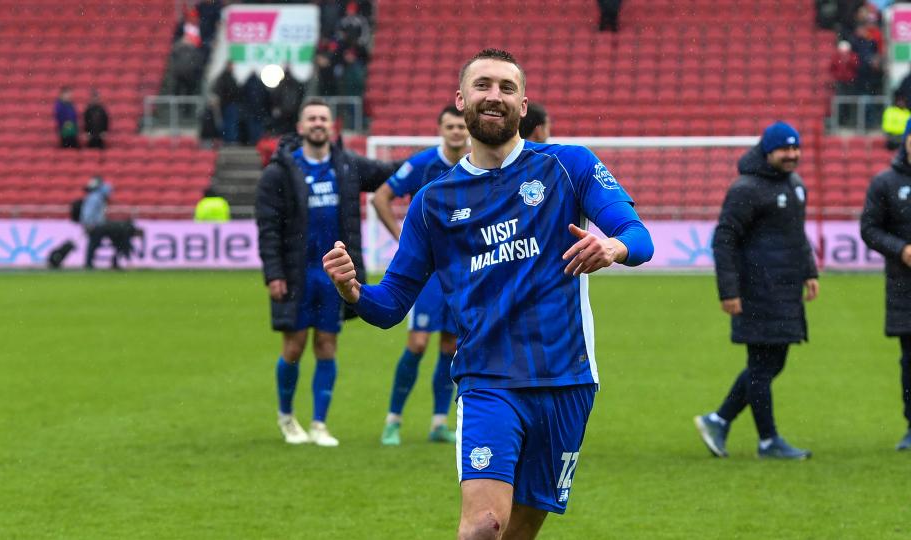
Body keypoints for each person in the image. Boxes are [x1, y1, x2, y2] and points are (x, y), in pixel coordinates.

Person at [323, 48, 653, 538]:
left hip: (567, 380)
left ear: (523, 105)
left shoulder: (569, 166)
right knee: (483, 526)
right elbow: (391, 304)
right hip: (487, 382)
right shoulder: (434, 201)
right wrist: (352, 291)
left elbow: (638, 237)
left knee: (517, 533)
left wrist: (614, 247)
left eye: (506, 87)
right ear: (461, 100)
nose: (493, 96)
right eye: (482, 86)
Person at [255, 98, 399, 447]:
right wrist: (273, 272)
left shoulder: (345, 166)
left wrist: (432, 162)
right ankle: (287, 417)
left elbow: (389, 172)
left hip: (332, 276)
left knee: (327, 344)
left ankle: (319, 423)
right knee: (294, 345)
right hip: (295, 272)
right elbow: (268, 227)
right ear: (301, 127)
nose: (318, 124)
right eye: (312, 119)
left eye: (323, 118)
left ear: (331, 126)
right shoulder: (280, 171)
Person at [694, 121, 819, 461]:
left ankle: (718, 419)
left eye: (796, 149)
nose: (792, 155)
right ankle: (767, 441)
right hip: (757, 290)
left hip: (786, 291)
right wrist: (728, 291)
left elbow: (796, 235)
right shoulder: (746, 188)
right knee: (762, 366)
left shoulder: (795, 185)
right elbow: (724, 240)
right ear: (768, 151)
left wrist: (809, 271)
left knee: (771, 363)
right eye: (785, 150)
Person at [372, 105, 470, 446]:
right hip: (428, 272)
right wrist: (404, 240)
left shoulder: (478, 164)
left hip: (461, 271)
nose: (456, 131)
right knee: (417, 342)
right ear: (441, 129)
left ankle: (439, 422)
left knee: (450, 345)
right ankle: (393, 420)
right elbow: (380, 197)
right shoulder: (423, 164)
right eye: (450, 126)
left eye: (461, 126)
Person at [860, 118, 911, 451]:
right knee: (910, 361)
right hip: (905, 289)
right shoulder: (885, 183)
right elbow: (869, 229)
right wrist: (901, 249)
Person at [80, 176, 112, 269]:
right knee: (93, 243)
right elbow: (89, 213)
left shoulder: (94, 197)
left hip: (95, 224)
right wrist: (88, 224)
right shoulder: (96, 197)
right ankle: (88, 263)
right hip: (95, 225)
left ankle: (89, 262)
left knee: (94, 243)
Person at [212, 62, 241, 144]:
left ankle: (228, 139)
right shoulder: (226, 78)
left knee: (229, 123)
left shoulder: (225, 77)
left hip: (227, 104)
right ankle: (229, 140)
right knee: (230, 123)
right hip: (228, 104)